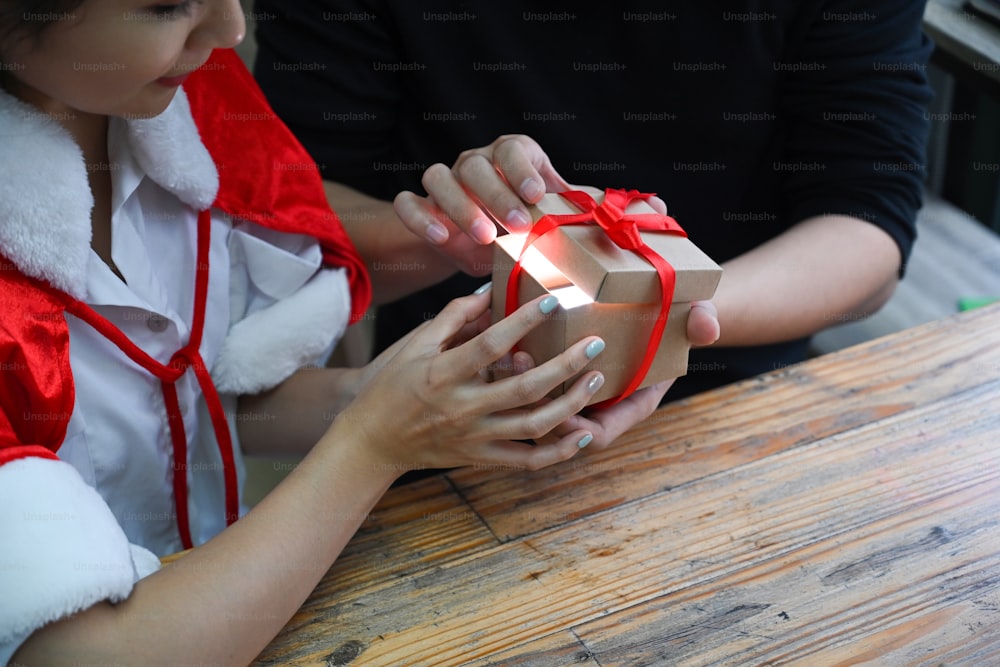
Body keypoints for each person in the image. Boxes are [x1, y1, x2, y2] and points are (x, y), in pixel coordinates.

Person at [0, 1, 720, 663]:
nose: (230, 32)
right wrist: (374, 444)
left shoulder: (181, 105)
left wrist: (406, 377)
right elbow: (83, 653)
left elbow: (215, 401)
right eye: (168, 5)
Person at [252, 0, 934, 400]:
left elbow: (867, 223)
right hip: (465, 392)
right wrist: (440, 237)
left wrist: (662, 310)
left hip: (738, 392)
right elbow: (292, 197)